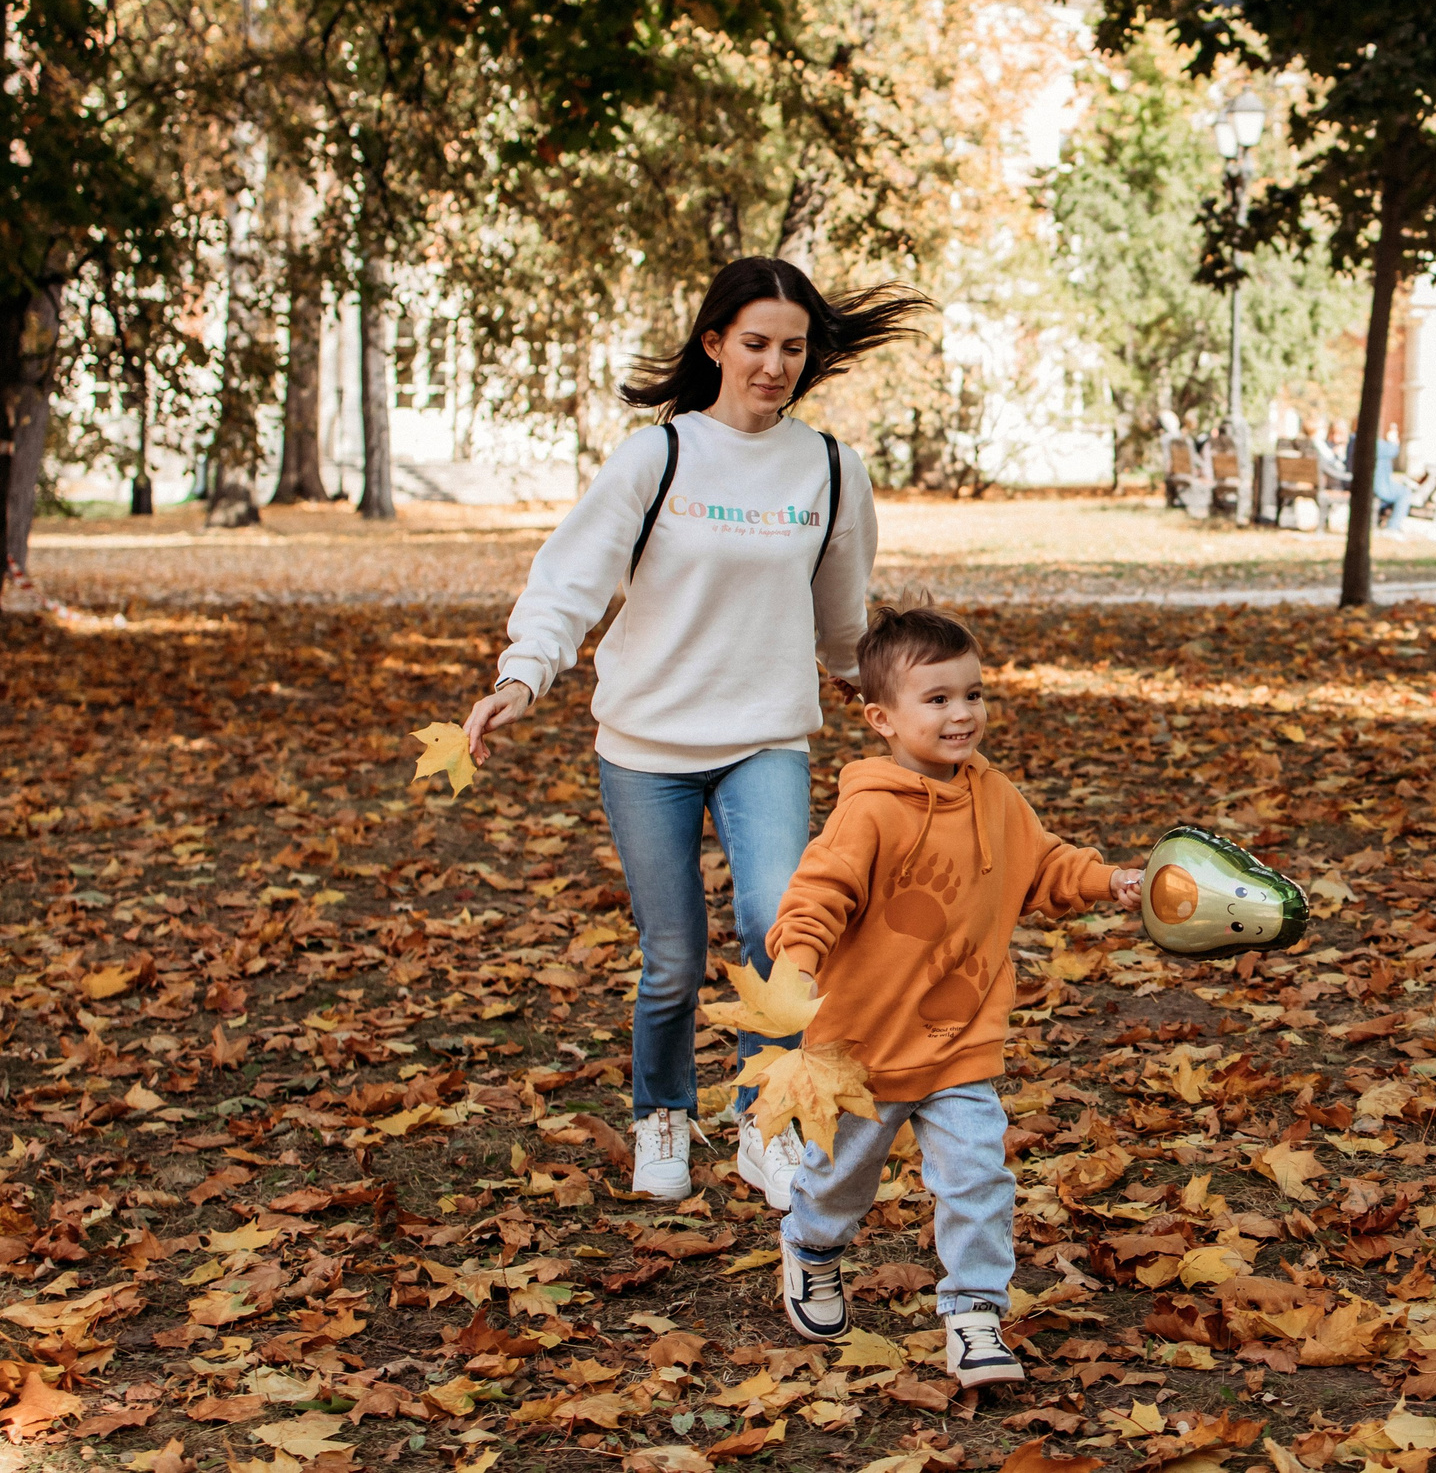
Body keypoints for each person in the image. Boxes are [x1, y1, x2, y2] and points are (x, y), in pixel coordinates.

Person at [460, 258, 932, 1207]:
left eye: (792, 348)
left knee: (779, 923)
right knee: (673, 956)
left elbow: (842, 622)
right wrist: (524, 671)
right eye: (755, 343)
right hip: (648, 743)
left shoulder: (831, 469)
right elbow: (572, 575)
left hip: (766, 737)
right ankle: (663, 1116)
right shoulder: (658, 456)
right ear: (715, 343)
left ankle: (767, 1120)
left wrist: (901, 703)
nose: (774, 365)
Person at [760, 606, 1144, 1387]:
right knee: (840, 1181)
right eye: (937, 699)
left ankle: (974, 1313)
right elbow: (818, 893)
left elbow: (1044, 864)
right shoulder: (868, 809)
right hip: (860, 1048)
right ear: (882, 718)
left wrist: (1109, 880)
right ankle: (811, 1246)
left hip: (960, 1038)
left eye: (973, 693)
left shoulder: (996, 796)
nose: (962, 712)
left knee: (977, 1176)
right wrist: (797, 961)